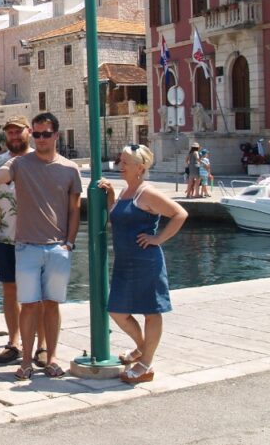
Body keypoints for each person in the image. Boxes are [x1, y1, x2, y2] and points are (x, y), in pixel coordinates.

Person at [0, 113, 81, 381]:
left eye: (46, 134)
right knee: (23, 299)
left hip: (54, 246)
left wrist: (69, 243)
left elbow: (74, 209)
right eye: (38, 134)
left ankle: (47, 353)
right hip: (15, 241)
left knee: (50, 303)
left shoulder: (68, 168)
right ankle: (20, 352)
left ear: (55, 135)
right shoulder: (13, 163)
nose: (41, 138)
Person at [97, 144, 188, 385]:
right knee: (117, 311)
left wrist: (158, 239)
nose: (120, 165)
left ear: (140, 167)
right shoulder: (126, 191)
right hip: (124, 262)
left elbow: (180, 214)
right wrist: (110, 196)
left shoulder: (147, 193)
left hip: (146, 262)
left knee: (151, 312)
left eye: (125, 162)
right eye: (121, 161)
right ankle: (142, 348)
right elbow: (117, 219)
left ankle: (146, 364)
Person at [0, 116, 47, 367]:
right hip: (5, 237)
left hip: (36, 237)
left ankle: (41, 345)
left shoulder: (41, 160)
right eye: (10, 132)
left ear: (28, 132)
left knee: (38, 294)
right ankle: (14, 342)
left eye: (18, 132)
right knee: (10, 290)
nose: (15, 136)